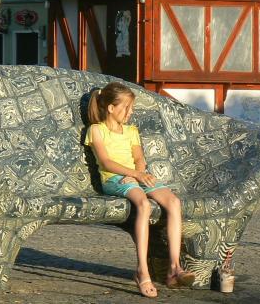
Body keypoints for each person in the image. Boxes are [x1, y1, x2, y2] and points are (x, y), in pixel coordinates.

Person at [84, 82, 195, 298]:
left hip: (136, 176)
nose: (130, 112)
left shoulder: (131, 131)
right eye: (126, 107)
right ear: (111, 108)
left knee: (174, 202)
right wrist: (134, 175)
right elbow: (106, 162)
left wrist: (139, 172)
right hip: (114, 179)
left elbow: (139, 158)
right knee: (143, 204)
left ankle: (174, 268)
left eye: (131, 108)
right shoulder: (96, 130)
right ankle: (142, 271)